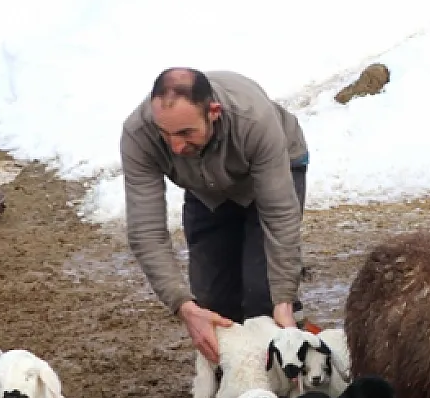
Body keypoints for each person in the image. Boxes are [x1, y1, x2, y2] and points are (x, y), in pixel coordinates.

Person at [121, 68, 308, 364]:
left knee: (264, 297)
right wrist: (183, 306)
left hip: (274, 169)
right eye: (165, 134)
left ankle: (282, 382)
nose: (175, 146)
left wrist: (283, 297)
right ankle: (235, 384)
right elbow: (146, 230)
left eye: (185, 133)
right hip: (205, 187)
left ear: (214, 112)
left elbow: (279, 214)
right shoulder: (139, 133)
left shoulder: (254, 119)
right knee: (213, 303)